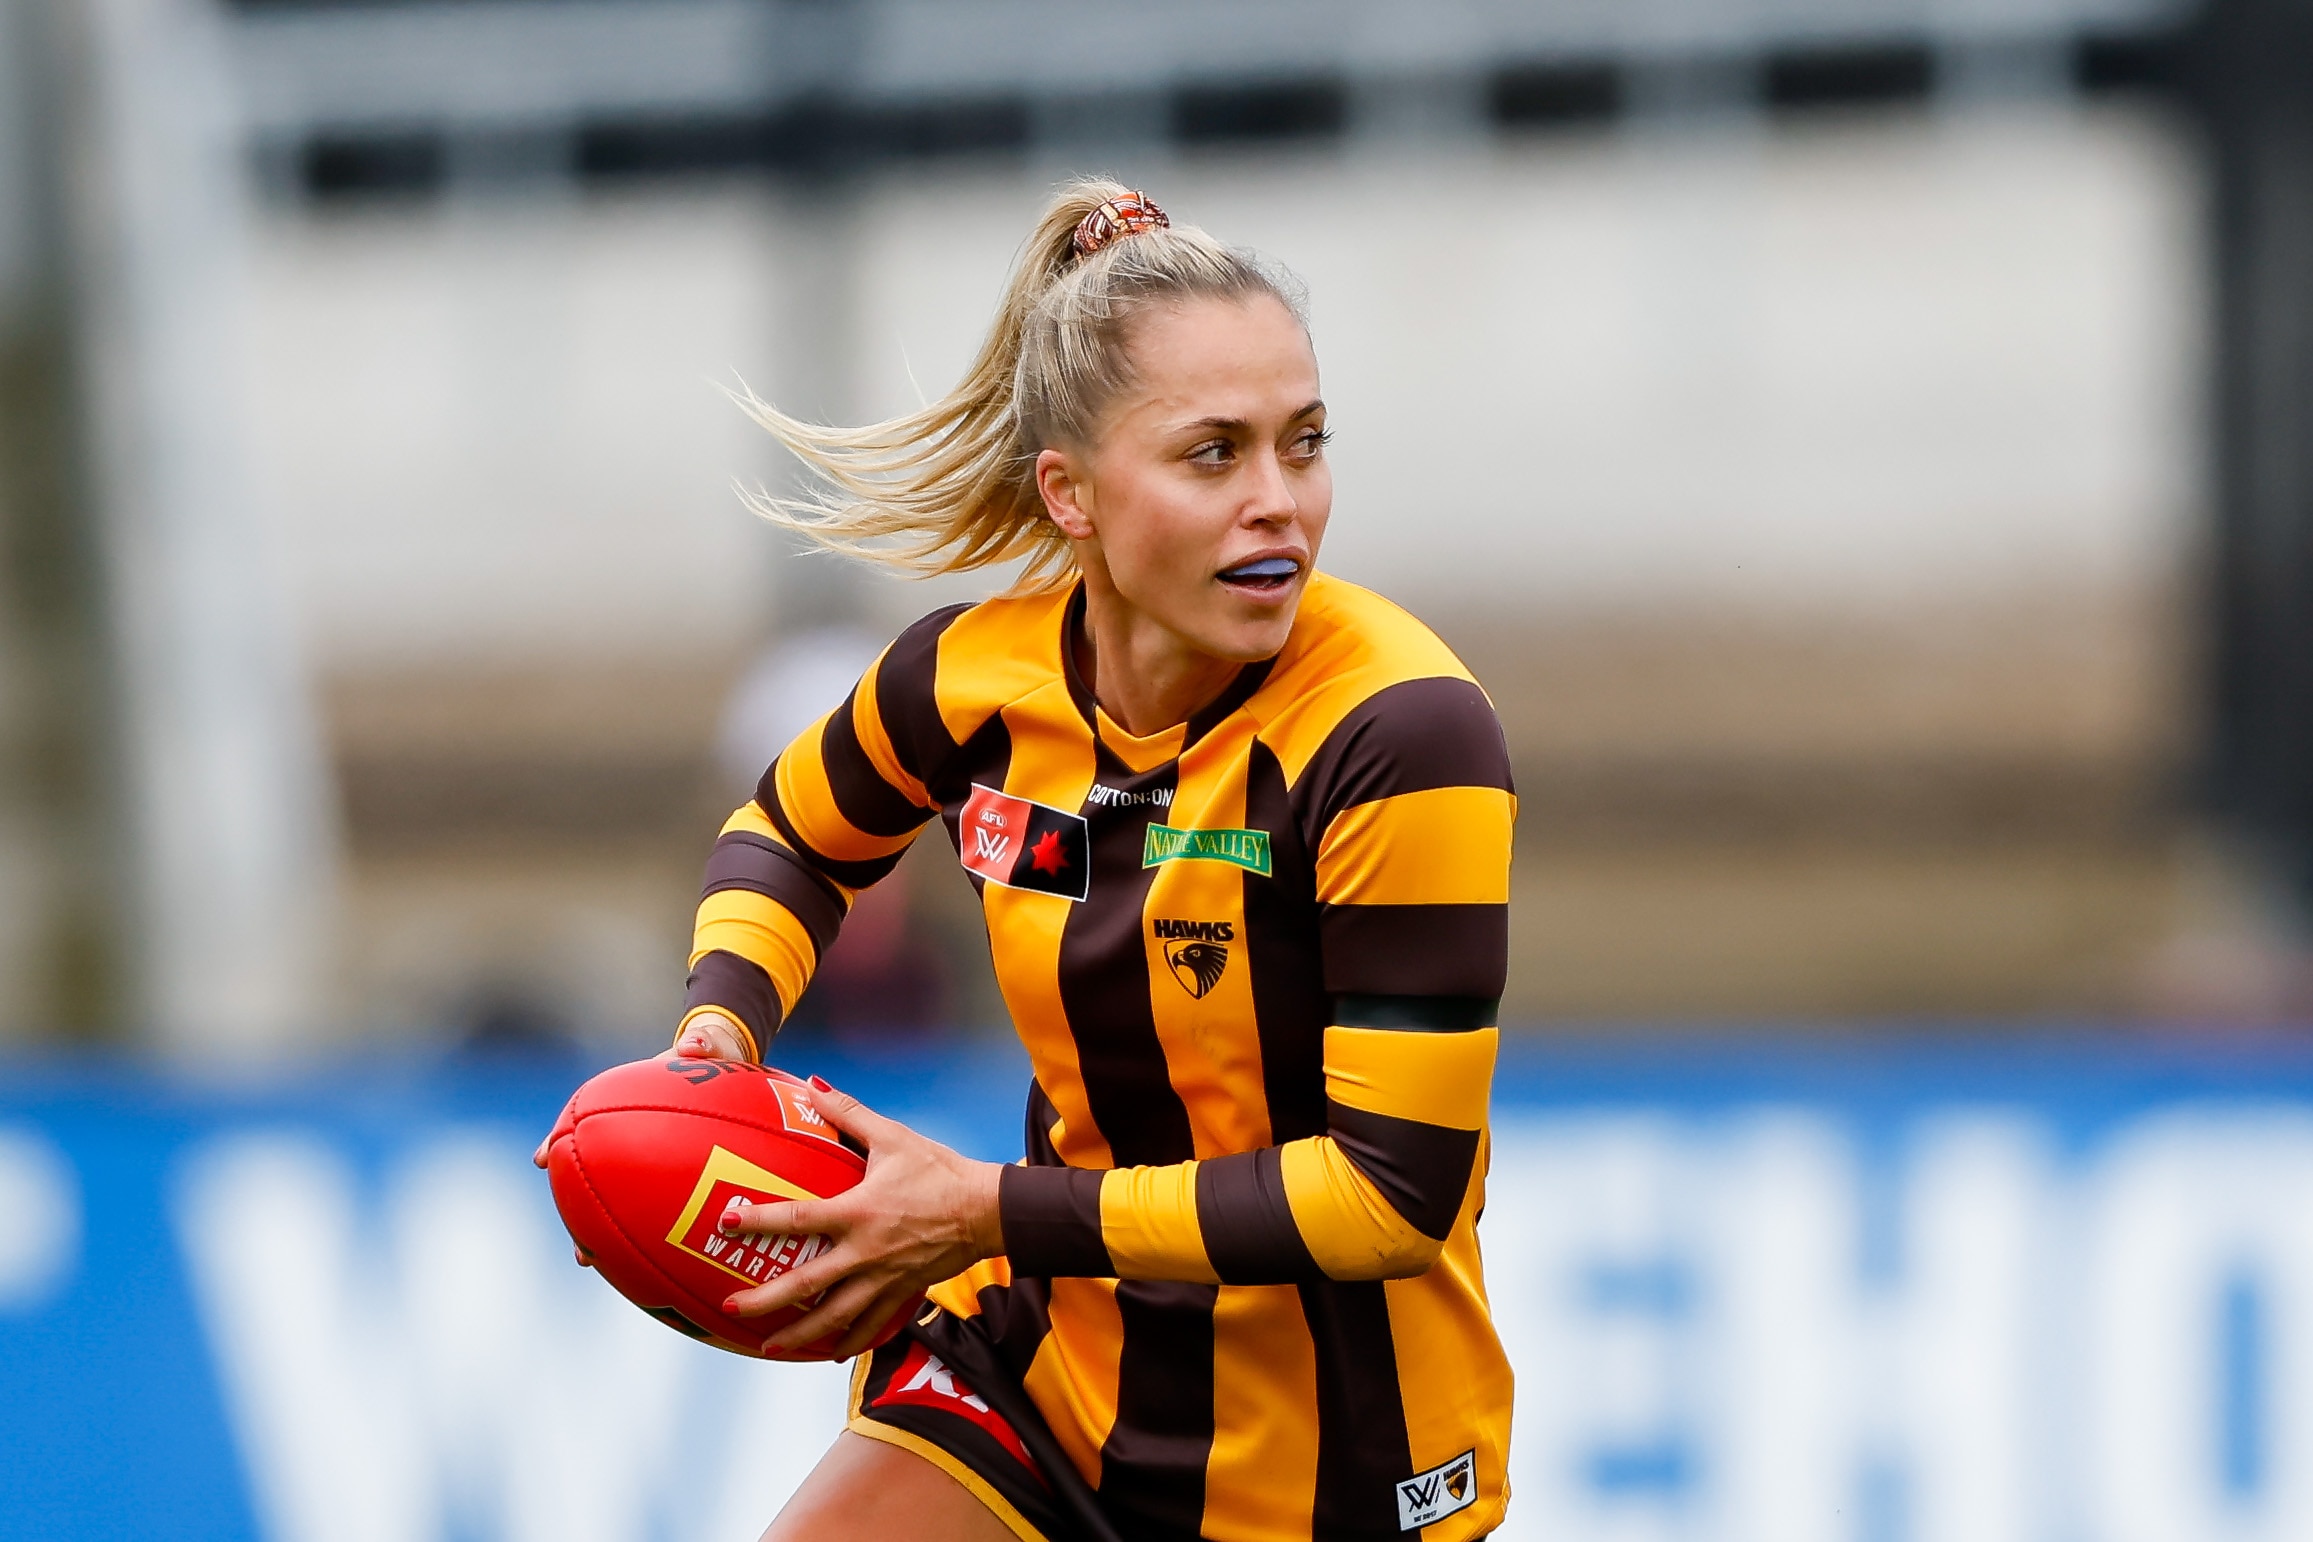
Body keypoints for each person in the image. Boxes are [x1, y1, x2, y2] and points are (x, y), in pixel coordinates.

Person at [672, 182, 1515, 1542]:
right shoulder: (968, 680)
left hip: (1338, 1475)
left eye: (1303, 444)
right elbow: (788, 838)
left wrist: (983, 1209)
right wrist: (720, 1024)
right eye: (1212, 454)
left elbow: (1384, 1198)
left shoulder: (1402, 730)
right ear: (1069, 493)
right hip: (1043, 1379)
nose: (1278, 504)